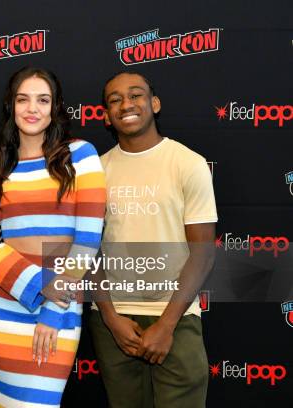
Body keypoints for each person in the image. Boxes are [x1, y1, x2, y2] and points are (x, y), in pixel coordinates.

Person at [0, 66, 106, 407]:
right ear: (10, 106)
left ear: (55, 106)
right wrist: (37, 285)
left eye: (42, 100)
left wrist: (51, 308)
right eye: (23, 99)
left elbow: (87, 242)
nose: (32, 108)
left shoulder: (80, 156)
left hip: (58, 307)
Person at [90, 71, 217, 407]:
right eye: (114, 100)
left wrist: (166, 324)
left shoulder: (188, 164)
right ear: (106, 115)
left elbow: (203, 253)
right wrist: (110, 318)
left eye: (136, 95)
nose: (126, 104)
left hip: (176, 319)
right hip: (114, 323)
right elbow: (84, 251)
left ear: (154, 103)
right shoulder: (94, 172)